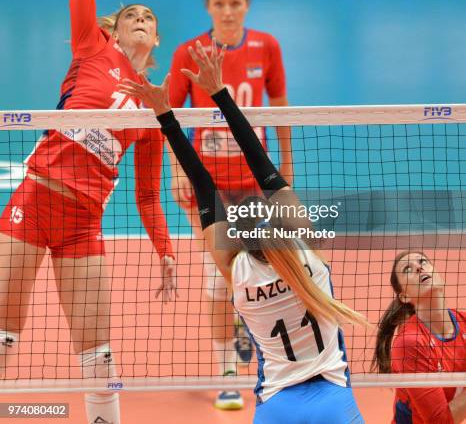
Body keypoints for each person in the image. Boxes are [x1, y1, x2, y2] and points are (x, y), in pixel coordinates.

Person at [118, 39, 366, 424]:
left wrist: (165, 115)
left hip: (276, 405)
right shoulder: (308, 255)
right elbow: (259, 160)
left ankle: (229, 367)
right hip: (333, 397)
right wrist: (220, 93)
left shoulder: (237, 274)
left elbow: (202, 184)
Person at [0, 0, 176, 424]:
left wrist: (166, 250)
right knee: (4, 331)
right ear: (116, 32)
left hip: (84, 223)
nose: (140, 19)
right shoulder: (92, 50)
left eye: (148, 17)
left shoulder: (155, 105)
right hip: (34, 202)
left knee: (97, 351)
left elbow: (147, 193)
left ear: (156, 38)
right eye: (130, 16)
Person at [168, 0, 292, 409]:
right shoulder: (189, 51)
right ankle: (226, 373)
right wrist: (178, 172)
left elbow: (280, 109)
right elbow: (170, 116)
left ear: (246, 5)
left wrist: (285, 169)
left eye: (234, 3)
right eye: (219, 4)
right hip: (210, 187)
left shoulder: (267, 47)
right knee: (220, 280)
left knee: (269, 273)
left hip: (255, 183)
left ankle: (268, 357)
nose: (227, 11)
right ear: (208, 8)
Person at [373, 250, 466, 423]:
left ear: (439, 276)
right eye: (407, 269)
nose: (418, 267)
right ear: (404, 296)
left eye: (423, 261)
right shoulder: (409, 343)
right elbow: (439, 422)